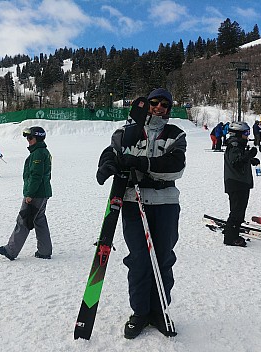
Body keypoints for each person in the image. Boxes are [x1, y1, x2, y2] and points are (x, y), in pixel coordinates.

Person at [96, 88, 186, 339]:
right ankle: (140, 312)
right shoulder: (125, 132)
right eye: (154, 103)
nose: (159, 108)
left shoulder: (175, 135)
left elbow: (175, 167)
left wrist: (142, 163)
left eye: (165, 105)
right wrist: (106, 165)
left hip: (165, 202)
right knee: (139, 260)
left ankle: (159, 311)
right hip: (134, 202)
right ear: (145, 105)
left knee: (163, 258)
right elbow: (111, 152)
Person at [0, 126, 52, 261]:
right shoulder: (42, 152)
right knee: (39, 220)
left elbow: (36, 176)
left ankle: (11, 250)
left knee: (24, 220)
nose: (28, 140)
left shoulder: (38, 153)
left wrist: (29, 194)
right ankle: (45, 251)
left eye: (30, 137)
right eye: (27, 137)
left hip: (36, 194)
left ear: (37, 138)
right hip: (42, 193)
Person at [223, 121, 260, 247]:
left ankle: (233, 231)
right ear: (238, 134)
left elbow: (240, 160)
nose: (247, 136)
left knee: (239, 210)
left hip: (239, 181)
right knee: (237, 210)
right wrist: (248, 155)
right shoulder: (234, 145)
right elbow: (236, 162)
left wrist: (250, 159)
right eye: (246, 133)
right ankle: (230, 237)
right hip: (236, 182)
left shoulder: (238, 145)